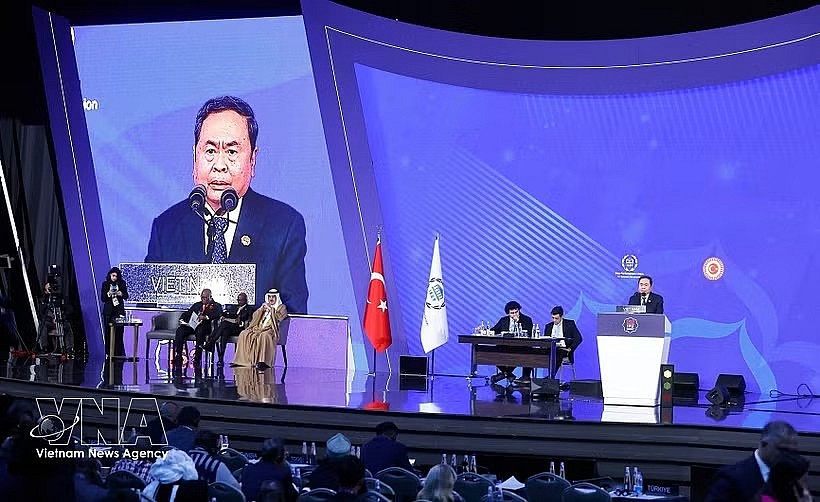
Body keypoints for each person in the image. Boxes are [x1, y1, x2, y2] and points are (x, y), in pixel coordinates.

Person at [145, 95, 308, 314]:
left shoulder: (284, 226)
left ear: (252, 159)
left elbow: (294, 319)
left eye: (231, 152)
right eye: (210, 151)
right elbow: (147, 314)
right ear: (195, 156)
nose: (219, 165)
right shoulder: (166, 227)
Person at [705, 421, 799, 502]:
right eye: (783, 450)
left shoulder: (794, 478)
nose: (788, 456)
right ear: (763, 444)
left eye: (792, 452)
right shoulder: (731, 477)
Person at [231, 288, 287, 370]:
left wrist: (271, 310)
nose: (271, 299)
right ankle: (241, 361)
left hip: (271, 330)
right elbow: (255, 317)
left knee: (264, 335)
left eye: (273, 297)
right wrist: (261, 309)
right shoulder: (264, 306)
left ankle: (263, 362)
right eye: (269, 297)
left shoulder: (281, 307)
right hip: (259, 328)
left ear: (277, 298)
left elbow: (279, 318)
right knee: (244, 333)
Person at [174, 288, 223, 366]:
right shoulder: (197, 305)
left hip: (206, 327)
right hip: (193, 325)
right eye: (202, 297)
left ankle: (197, 358)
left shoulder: (216, 305)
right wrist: (182, 319)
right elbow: (188, 313)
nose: (203, 299)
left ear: (210, 297)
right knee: (180, 330)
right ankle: (179, 355)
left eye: (205, 297)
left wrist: (206, 317)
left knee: (200, 331)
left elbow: (218, 314)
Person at [489, 301, 533, 384]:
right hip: (506, 346)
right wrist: (484, 330)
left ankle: (506, 374)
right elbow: (494, 330)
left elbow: (529, 334)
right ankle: (508, 374)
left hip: (521, 347)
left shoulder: (527, 319)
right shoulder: (503, 320)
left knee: (527, 352)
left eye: (516, 312)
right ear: (508, 313)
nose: (515, 314)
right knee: (493, 351)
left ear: (519, 310)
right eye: (512, 313)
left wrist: (518, 322)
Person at [242, 437, 298, 502]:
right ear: (279, 456)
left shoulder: (247, 469)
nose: (287, 453)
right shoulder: (283, 472)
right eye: (284, 452)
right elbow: (292, 498)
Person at [205, 292, 254, 365]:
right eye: (238, 300)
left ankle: (211, 342)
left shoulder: (250, 309)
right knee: (225, 332)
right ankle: (221, 359)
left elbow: (249, 320)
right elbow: (228, 314)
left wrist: (241, 321)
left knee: (225, 324)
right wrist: (223, 316)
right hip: (230, 327)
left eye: (241, 300)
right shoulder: (234, 307)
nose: (239, 302)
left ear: (246, 300)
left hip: (240, 328)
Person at [544, 306, 583, 379]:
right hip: (551, 349)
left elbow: (578, 338)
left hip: (564, 350)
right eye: (553, 318)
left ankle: (551, 377)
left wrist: (570, 349)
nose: (554, 320)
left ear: (562, 317)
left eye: (556, 318)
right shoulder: (548, 326)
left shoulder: (570, 324)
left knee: (557, 353)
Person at [100, 266, 128, 357]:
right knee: (108, 333)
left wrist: (121, 293)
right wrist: (108, 293)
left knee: (119, 333)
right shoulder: (105, 284)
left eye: (116, 276)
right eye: (113, 276)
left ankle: (118, 354)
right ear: (110, 275)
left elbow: (126, 296)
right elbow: (103, 299)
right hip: (108, 312)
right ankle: (109, 353)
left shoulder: (122, 283)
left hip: (118, 311)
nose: (114, 278)